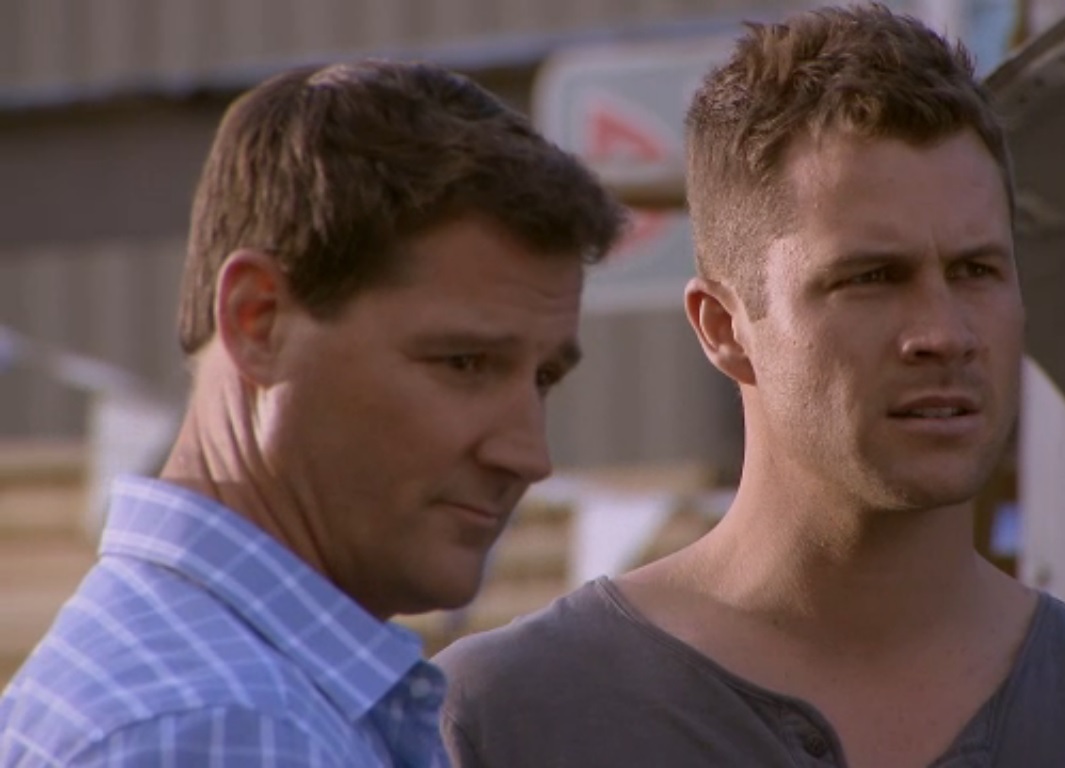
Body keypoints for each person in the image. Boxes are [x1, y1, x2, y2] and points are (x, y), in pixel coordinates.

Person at [432, 5, 1065, 767]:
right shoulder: (512, 718)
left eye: (976, 270)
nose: (944, 334)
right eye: (870, 277)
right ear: (723, 327)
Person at [0, 60, 623, 766]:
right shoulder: (223, 726)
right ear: (258, 320)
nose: (528, 456)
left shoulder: (216, 692)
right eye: (463, 363)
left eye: (543, 378)